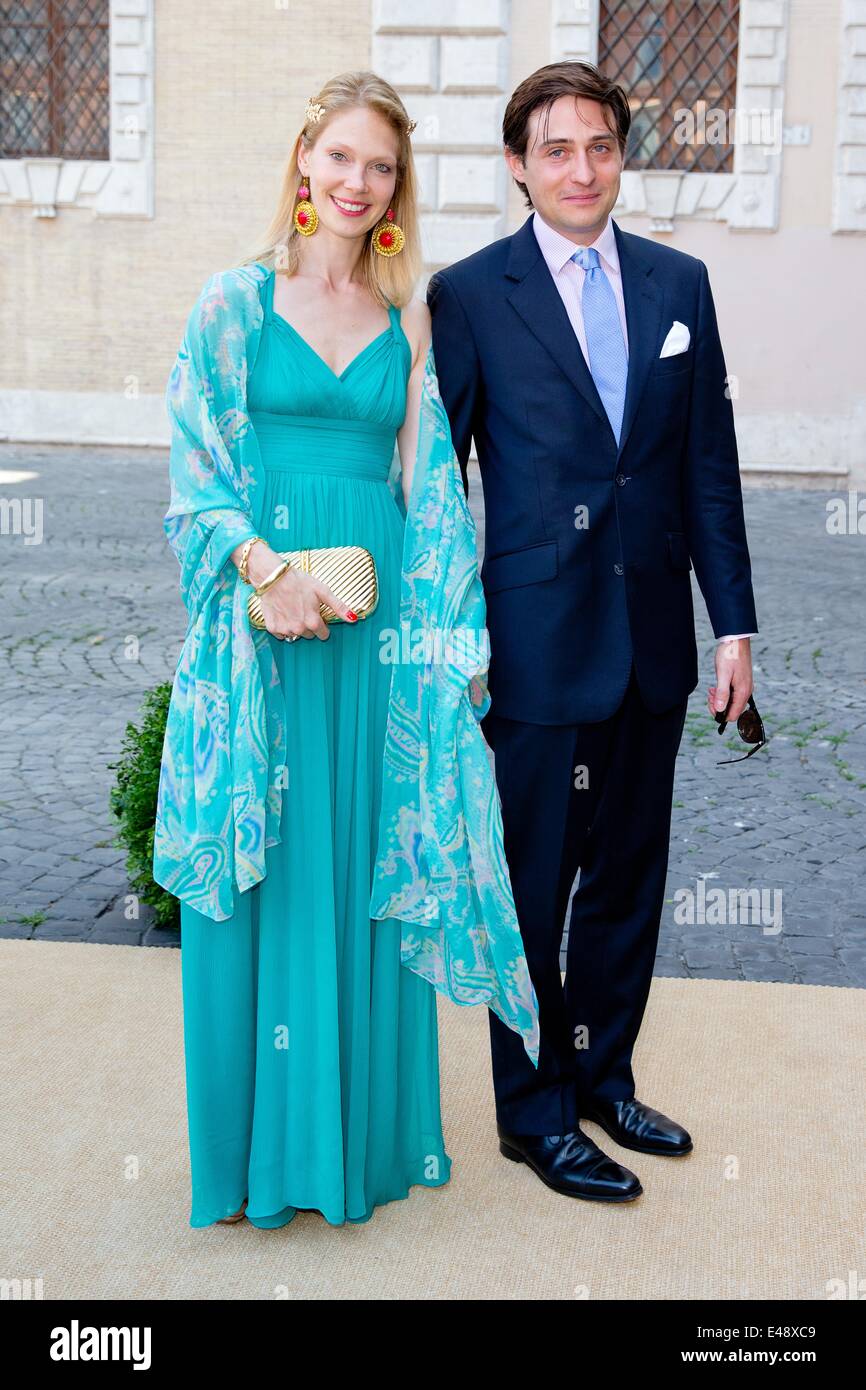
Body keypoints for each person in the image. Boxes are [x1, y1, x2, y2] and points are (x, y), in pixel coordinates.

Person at [152, 72, 539, 1230]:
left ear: (395, 191)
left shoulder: (407, 320)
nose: (358, 183)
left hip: (373, 644)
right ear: (304, 162)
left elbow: (428, 491)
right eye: (341, 160)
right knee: (271, 860)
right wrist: (265, 573)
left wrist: (447, 633)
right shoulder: (232, 301)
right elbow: (191, 475)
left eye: (382, 169)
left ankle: (355, 1149)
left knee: (364, 856)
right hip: (260, 625)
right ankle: (253, 1158)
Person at [427, 61, 758, 1202]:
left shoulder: (681, 284)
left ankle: (603, 1075)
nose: (580, 168)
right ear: (518, 166)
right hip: (532, 647)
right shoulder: (469, 293)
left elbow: (704, 468)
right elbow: (438, 480)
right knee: (530, 888)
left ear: (622, 156)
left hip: (652, 642)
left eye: (599, 146)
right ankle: (531, 1112)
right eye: (555, 149)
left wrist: (733, 629)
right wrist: (444, 635)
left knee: (625, 878)